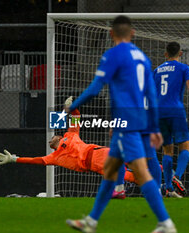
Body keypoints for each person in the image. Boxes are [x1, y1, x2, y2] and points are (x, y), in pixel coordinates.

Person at [66, 16, 176, 233]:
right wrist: (154, 127)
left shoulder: (112, 55)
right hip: (140, 120)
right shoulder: (143, 57)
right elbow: (151, 94)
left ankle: (166, 223)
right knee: (110, 170)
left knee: (141, 173)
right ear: (132, 33)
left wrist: (73, 106)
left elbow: (95, 89)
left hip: (126, 123)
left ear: (111, 34)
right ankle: (91, 221)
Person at [0, 97, 137, 193]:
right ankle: (156, 184)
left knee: (133, 162)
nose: (50, 139)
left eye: (52, 137)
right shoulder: (54, 157)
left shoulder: (71, 134)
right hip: (93, 165)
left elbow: (75, 117)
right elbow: (36, 160)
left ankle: (157, 173)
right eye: (50, 140)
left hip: (96, 153)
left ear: (59, 137)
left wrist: (70, 108)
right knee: (131, 175)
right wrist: (14, 159)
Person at [153, 42, 189, 198]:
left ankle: (169, 188)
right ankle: (176, 177)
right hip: (175, 111)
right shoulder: (184, 68)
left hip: (159, 112)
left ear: (165, 54)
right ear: (181, 53)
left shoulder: (156, 71)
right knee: (184, 146)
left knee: (167, 150)